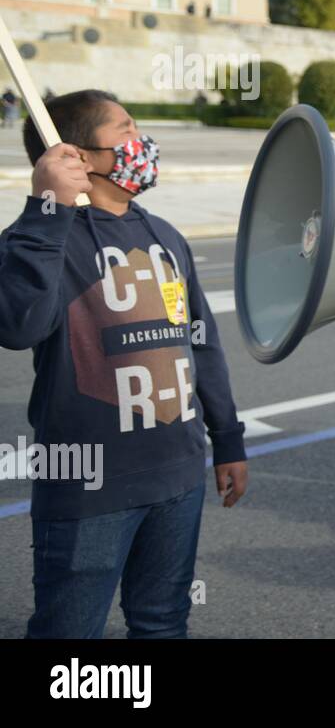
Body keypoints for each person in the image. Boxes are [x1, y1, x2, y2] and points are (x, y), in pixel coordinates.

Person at [1, 91, 247, 638]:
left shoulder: (166, 236)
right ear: (81, 156)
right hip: (89, 486)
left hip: (177, 475)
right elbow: (18, 327)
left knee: (162, 624)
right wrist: (46, 210)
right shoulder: (38, 240)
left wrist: (227, 438)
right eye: (127, 128)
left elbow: (200, 344)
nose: (144, 142)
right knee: (68, 634)